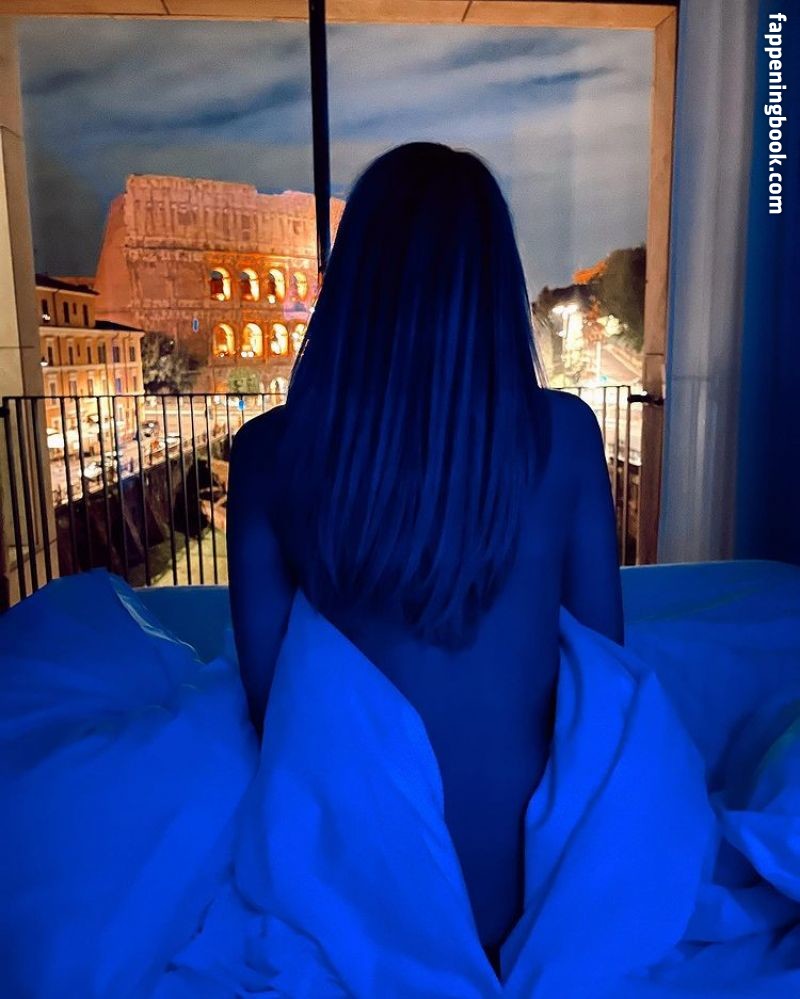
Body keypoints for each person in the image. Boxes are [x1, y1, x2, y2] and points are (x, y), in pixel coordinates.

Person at [226, 142, 624, 972]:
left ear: (354, 279)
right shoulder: (566, 437)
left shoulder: (266, 455)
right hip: (525, 894)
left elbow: (274, 710)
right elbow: (603, 680)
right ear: (494, 282)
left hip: (359, 900)